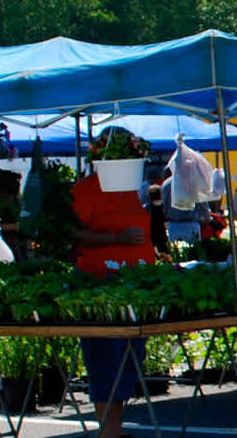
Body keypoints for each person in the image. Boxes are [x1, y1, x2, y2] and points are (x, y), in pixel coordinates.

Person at [71, 166, 157, 438]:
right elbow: (69, 232)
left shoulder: (129, 186)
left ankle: (114, 430)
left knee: (129, 360)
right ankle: (108, 432)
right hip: (101, 285)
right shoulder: (87, 188)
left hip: (134, 285)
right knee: (106, 359)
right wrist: (116, 239)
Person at [157, 170, 209, 245]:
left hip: (173, 225)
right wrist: (206, 217)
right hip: (191, 224)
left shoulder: (166, 184)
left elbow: (163, 206)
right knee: (193, 251)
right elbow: (202, 204)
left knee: (175, 251)